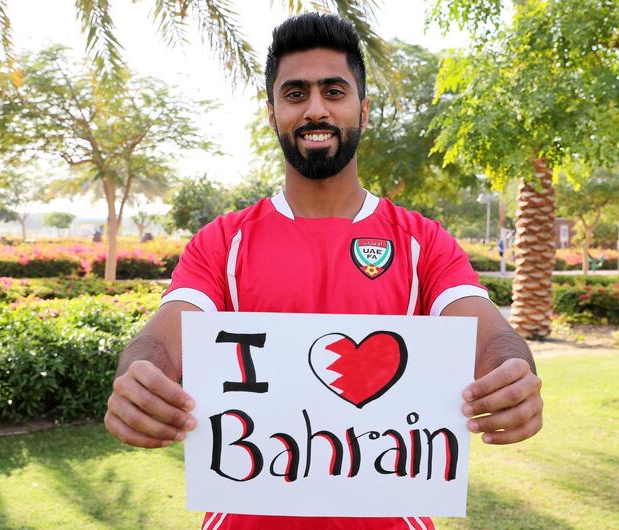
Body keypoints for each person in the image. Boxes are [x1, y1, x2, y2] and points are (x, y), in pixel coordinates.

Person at [104, 13, 543, 530]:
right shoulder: (223, 242)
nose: (316, 108)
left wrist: (514, 372)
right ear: (272, 114)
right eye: (295, 94)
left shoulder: (422, 241)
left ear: (364, 108)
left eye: (334, 91)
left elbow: (489, 334)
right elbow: (163, 338)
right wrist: (137, 377)